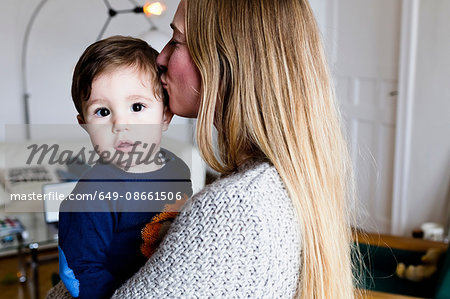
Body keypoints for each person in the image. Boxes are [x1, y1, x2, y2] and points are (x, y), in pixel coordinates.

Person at [48, 0, 357, 298]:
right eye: (103, 112)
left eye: (177, 40)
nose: (160, 57)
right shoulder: (272, 181)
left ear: (227, 61)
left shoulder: (235, 207)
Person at [57, 36, 192, 299]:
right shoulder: (93, 194)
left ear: (165, 115)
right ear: (85, 124)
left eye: (137, 107)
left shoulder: (178, 169)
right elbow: (80, 270)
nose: (120, 124)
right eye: (102, 112)